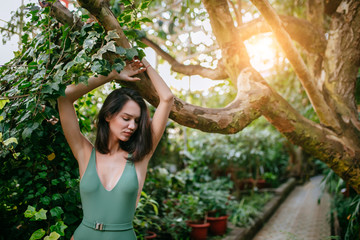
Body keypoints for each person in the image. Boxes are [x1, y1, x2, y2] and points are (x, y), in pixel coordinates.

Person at [57, 59, 174, 240]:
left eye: (136, 121)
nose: (132, 126)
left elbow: (167, 98)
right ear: (109, 115)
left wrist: (146, 64)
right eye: (126, 118)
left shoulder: (140, 157)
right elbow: (64, 98)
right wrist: (112, 74)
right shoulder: (85, 153)